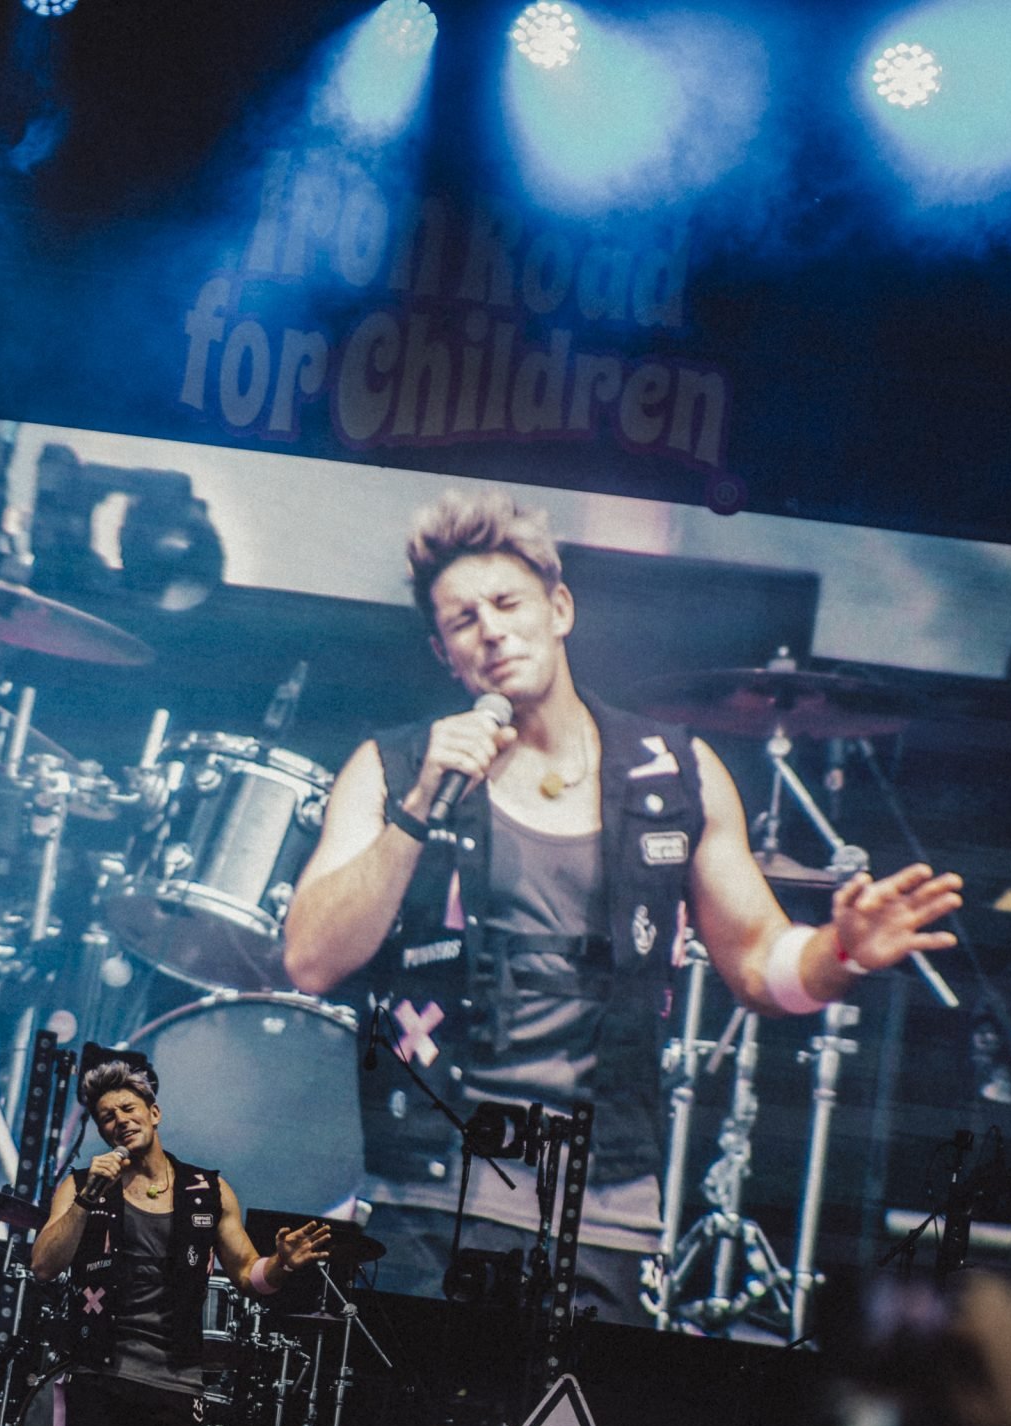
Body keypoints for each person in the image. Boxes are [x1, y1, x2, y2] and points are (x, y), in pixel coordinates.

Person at [283, 490, 964, 1310]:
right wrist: (420, 807)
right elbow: (311, 961)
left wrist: (844, 950)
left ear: (559, 609)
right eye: (464, 620)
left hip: (603, 1209)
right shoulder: (392, 768)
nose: (491, 630)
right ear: (444, 652)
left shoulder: (674, 773)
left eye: (507, 603)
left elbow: (761, 964)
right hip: (429, 1195)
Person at [28, 1049, 331, 1426]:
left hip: (174, 1381)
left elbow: (248, 1275)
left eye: (128, 1109)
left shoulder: (208, 1191)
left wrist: (282, 1265)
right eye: (107, 1117)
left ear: (154, 1113)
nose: (119, 1120)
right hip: (98, 1375)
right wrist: (88, 1197)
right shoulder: (82, 1185)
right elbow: (44, 1264)